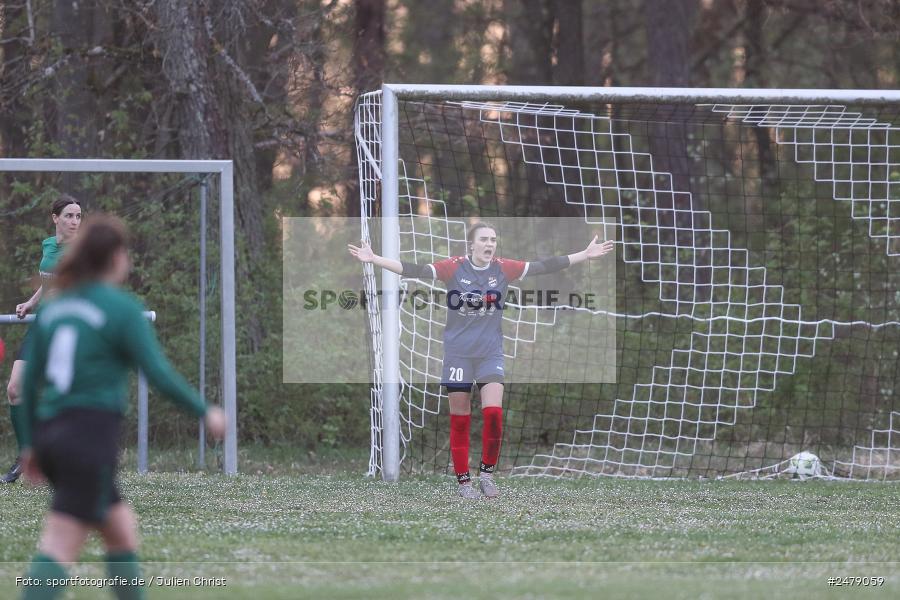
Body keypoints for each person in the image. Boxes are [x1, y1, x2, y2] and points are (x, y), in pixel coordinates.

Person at [17, 214, 227, 600]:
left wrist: (30, 444)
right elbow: (158, 373)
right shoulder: (121, 308)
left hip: (53, 433)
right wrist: (205, 411)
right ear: (114, 257)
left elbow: (30, 385)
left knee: (120, 531)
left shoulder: (57, 307)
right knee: (60, 544)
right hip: (89, 437)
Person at [349, 222, 614, 499]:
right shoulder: (454, 267)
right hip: (458, 354)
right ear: (471, 245)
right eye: (484, 240)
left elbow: (543, 266)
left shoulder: (503, 268)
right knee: (460, 419)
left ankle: (487, 475)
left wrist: (584, 254)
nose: (490, 244)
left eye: (493, 240)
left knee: (493, 414)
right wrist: (374, 258)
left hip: (490, 353)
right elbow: (415, 270)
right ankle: (464, 483)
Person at [4, 196, 82, 484]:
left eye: (78, 216)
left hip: (68, 329)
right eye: (69, 215)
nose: (75, 221)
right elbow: (48, 282)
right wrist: (30, 302)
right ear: (55, 218)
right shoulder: (49, 245)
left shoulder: (81, 251)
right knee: (15, 389)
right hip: (42, 326)